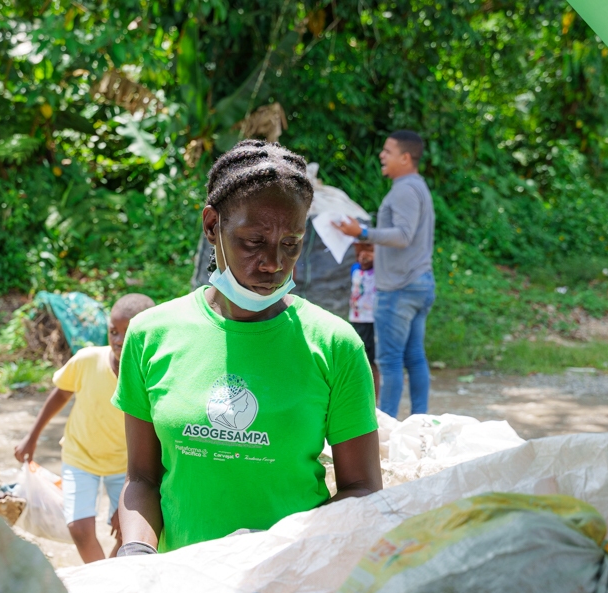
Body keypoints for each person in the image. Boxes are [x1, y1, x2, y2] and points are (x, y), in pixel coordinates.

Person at [111, 140, 383, 557]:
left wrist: (274, 549)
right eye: (253, 241)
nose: (273, 262)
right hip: (180, 585)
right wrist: (136, 553)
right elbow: (143, 479)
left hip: (286, 587)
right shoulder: (151, 334)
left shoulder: (334, 345)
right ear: (211, 226)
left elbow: (361, 489)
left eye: (290, 243)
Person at [14, 293, 155, 562]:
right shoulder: (88, 360)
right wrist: (31, 437)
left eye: (128, 332)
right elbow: (60, 394)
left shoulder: (151, 376)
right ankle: (100, 576)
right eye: (113, 331)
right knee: (79, 529)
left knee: (129, 532)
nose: (118, 340)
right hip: (80, 457)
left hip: (126, 468)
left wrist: (137, 487)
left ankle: (109, 576)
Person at [333, 130, 435, 417]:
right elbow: (409, 239)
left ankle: (386, 425)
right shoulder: (418, 187)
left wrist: (361, 232)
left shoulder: (403, 190)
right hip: (419, 282)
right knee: (414, 357)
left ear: (405, 158)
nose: (382, 155)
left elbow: (403, 235)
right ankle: (420, 421)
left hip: (399, 288)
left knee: (389, 362)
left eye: (388, 151)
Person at [348, 241, 380, 398]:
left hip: (371, 321)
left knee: (372, 361)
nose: (362, 258)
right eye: (359, 255)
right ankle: (360, 393)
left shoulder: (377, 272)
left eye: (367, 255)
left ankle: (375, 398)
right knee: (358, 357)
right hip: (356, 320)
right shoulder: (355, 269)